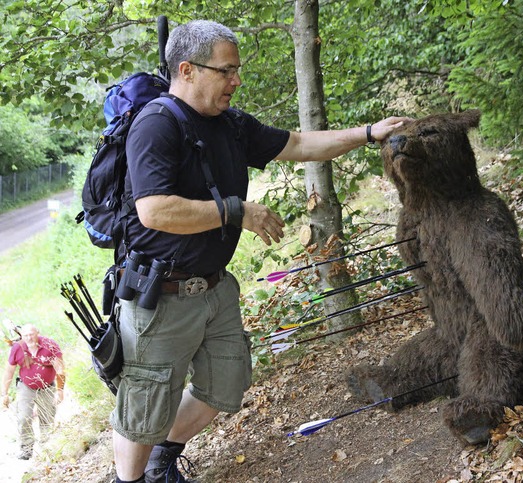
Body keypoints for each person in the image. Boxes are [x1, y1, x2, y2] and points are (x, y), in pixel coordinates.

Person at [112, 19, 409, 483]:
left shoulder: (229, 124)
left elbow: (299, 144)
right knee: (143, 410)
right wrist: (235, 212)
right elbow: (154, 210)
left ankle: (161, 457)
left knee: (224, 387)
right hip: (162, 296)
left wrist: (369, 133)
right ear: (187, 70)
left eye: (237, 69)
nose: (237, 80)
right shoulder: (155, 125)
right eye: (227, 70)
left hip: (214, 289)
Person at [1, 324, 65, 460]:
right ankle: (26, 448)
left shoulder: (50, 345)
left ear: (38, 333)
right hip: (26, 386)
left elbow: (60, 369)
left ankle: (47, 447)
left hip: (47, 386)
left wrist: (60, 390)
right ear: (22, 336)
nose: (29, 338)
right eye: (25, 335)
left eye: (32, 334)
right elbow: (9, 371)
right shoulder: (17, 348)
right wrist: (4, 393)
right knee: (23, 417)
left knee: (47, 418)